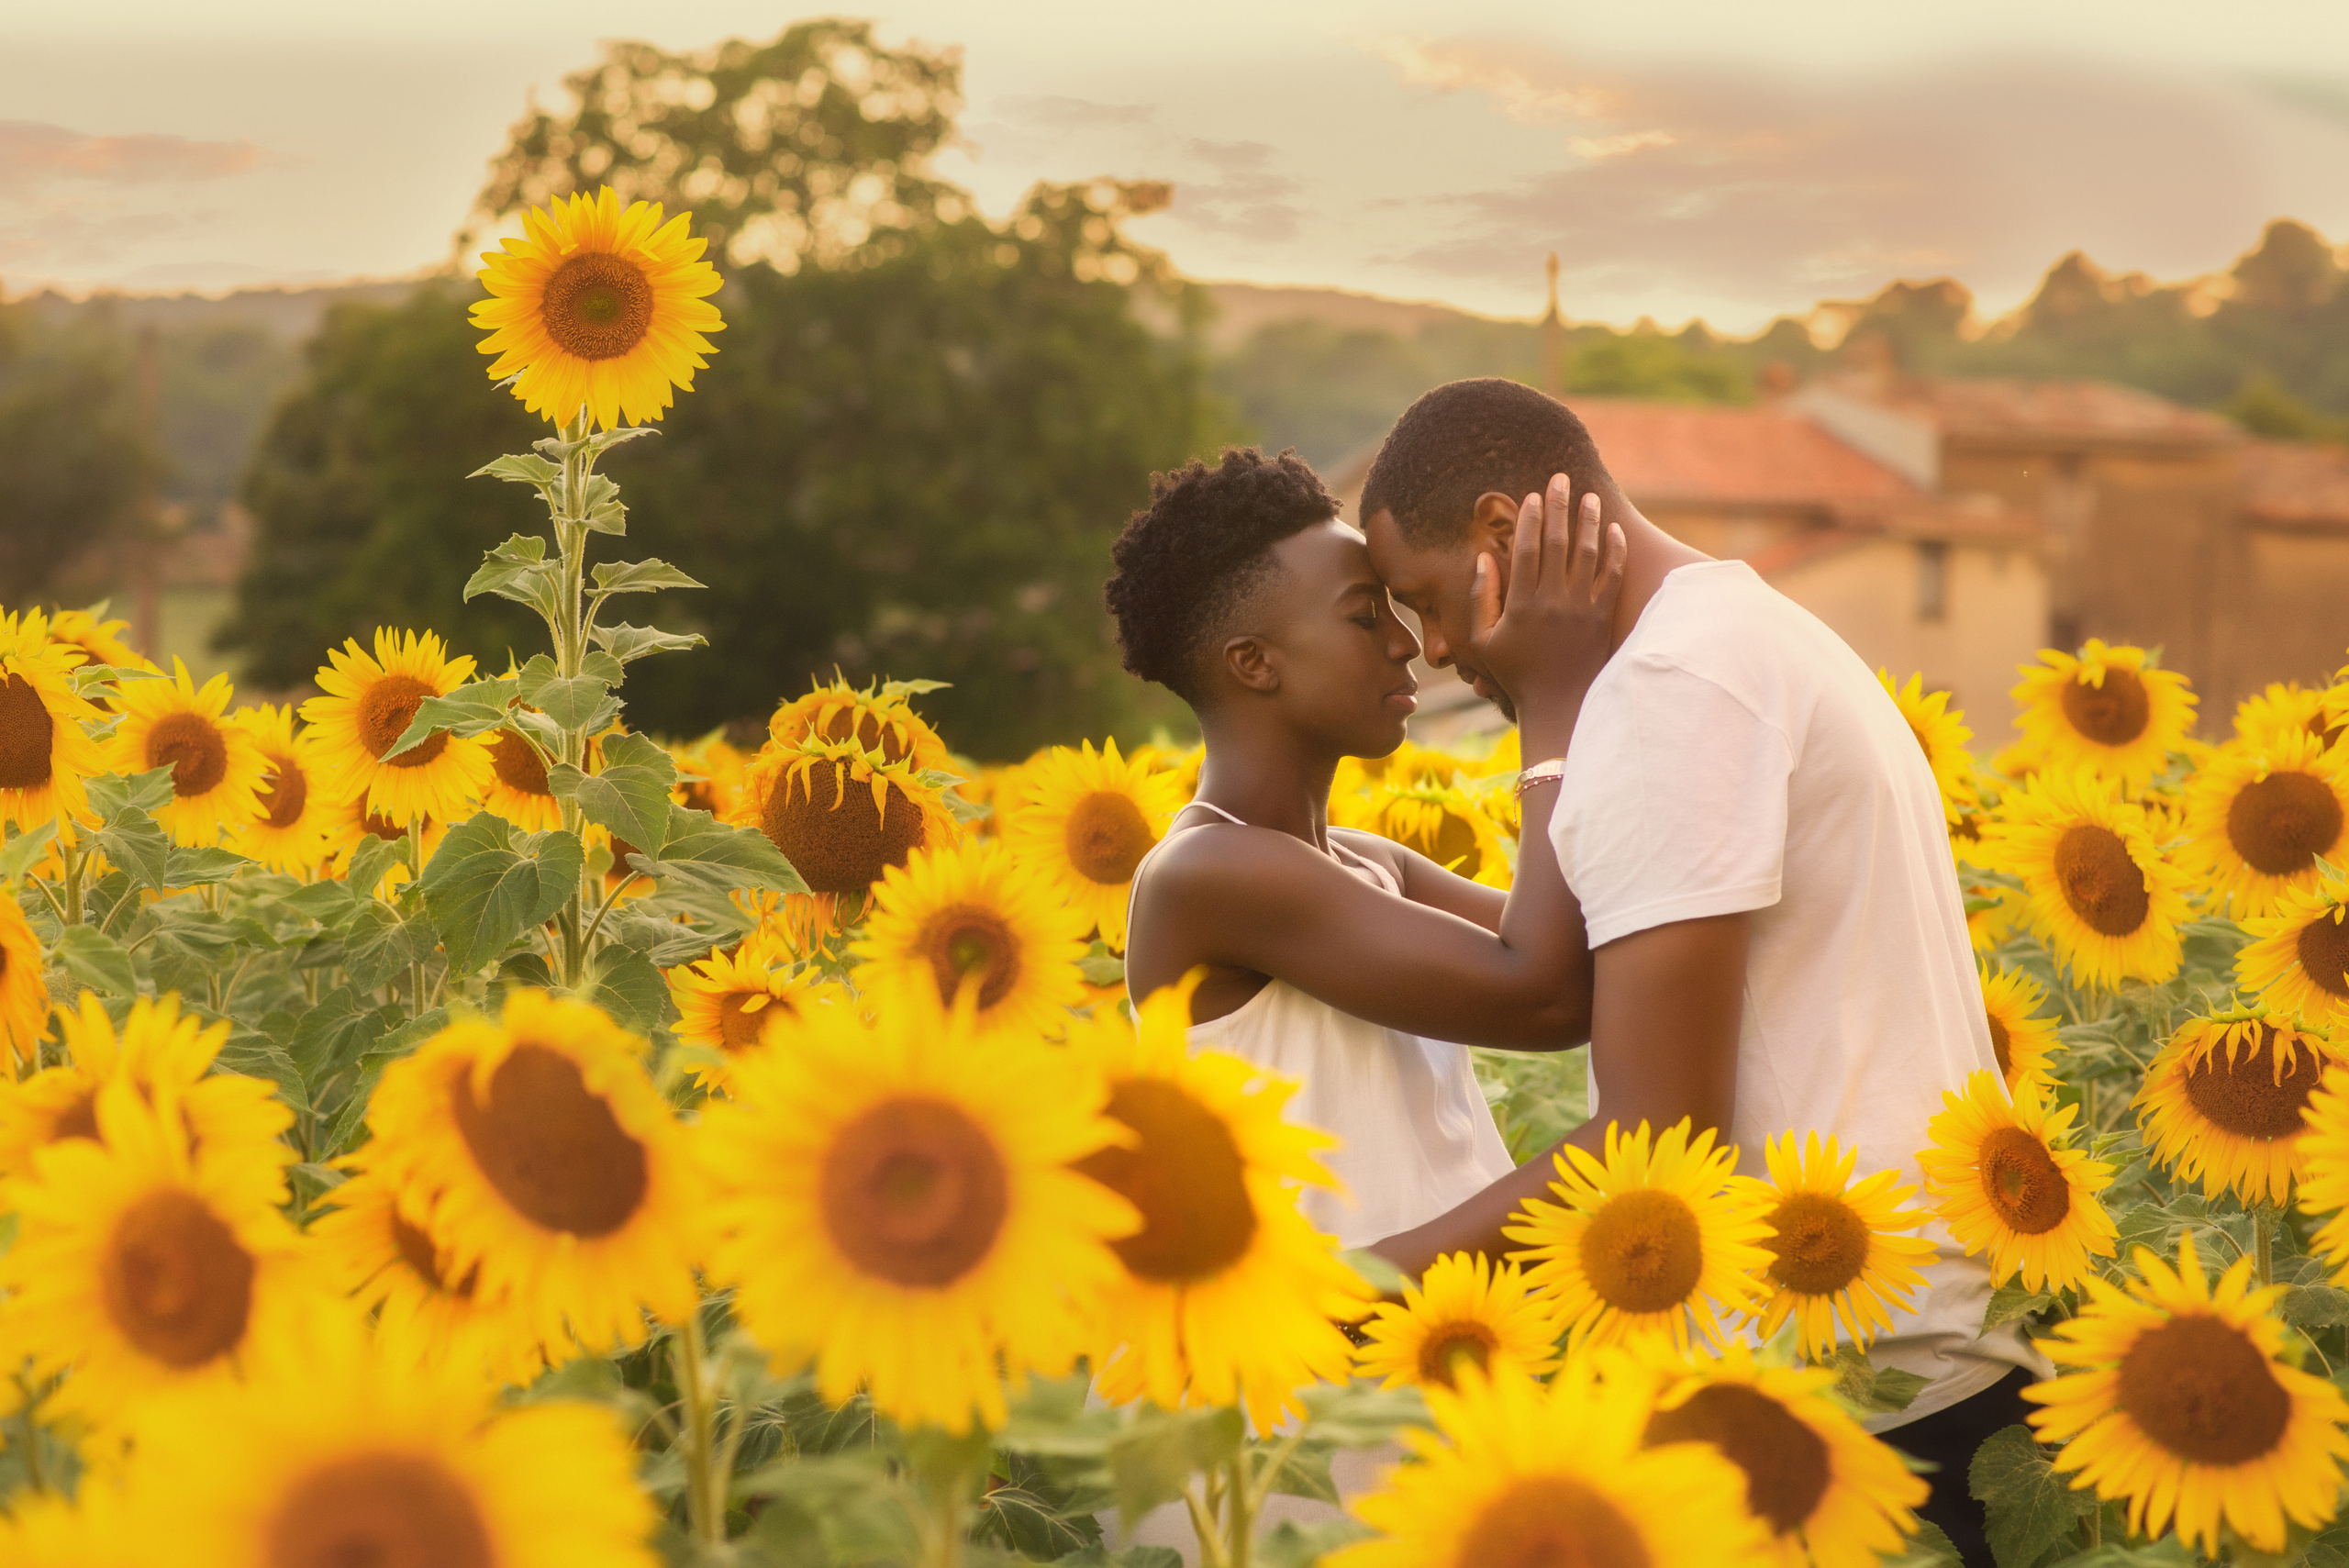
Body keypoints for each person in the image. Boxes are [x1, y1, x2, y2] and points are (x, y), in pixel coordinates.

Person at [1356, 376, 2041, 1565]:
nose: (1439, 649)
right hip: (1902, 1341)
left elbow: (1654, 1144)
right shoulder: (1740, 631)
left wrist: (1342, 1291)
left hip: (1851, 1386)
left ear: (1503, 532)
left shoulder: (1671, 690)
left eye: (1425, 600)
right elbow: (1612, 963)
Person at [1102, 445, 1620, 1250]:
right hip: (1325, 1331)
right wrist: (1549, 695)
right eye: (1364, 614)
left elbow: (1601, 955)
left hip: (1429, 1322)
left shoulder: (1373, 863)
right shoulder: (1206, 874)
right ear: (1254, 663)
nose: (1406, 642)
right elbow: (1549, 995)